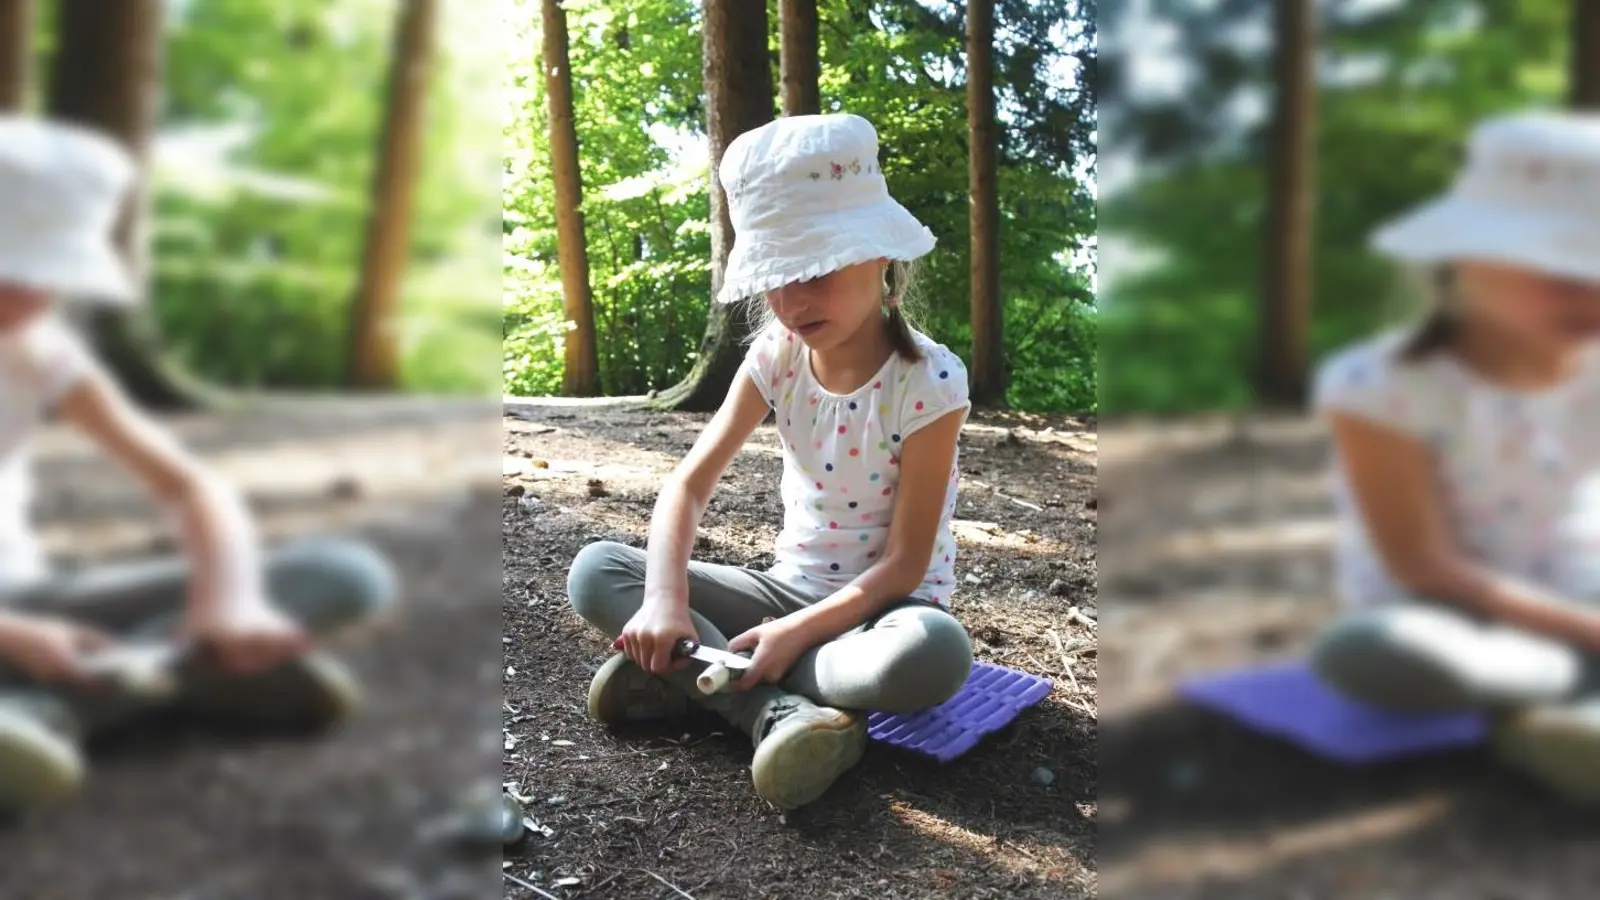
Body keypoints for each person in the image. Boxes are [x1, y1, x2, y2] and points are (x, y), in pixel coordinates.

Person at [566, 113, 975, 811]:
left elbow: (905, 566)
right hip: (784, 593)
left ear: (881, 255)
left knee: (934, 655)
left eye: (815, 268)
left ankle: (694, 675)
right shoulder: (774, 360)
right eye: (776, 276)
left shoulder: (929, 382)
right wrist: (665, 599)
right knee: (599, 570)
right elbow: (687, 488)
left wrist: (794, 635)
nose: (790, 300)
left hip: (884, 615)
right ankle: (773, 715)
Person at [0, 115, 398, 818]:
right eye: (17, 272)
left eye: (48, 275)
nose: (37, 298)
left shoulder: (39, 350)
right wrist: (16, 639)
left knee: (344, 575)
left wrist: (229, 601)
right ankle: (109, 699)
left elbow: (191, 488)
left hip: (26, 594)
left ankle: (83, 697)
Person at [1307, 109, 1600, 803]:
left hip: (1578, 585)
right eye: (1560, 265)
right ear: (1468, 259)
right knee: (1374, 652)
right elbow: (1424, 563)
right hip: (1449, 613)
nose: (1588, 290)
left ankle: (1572, 711)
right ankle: (1546, 714)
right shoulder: (1381, 388)